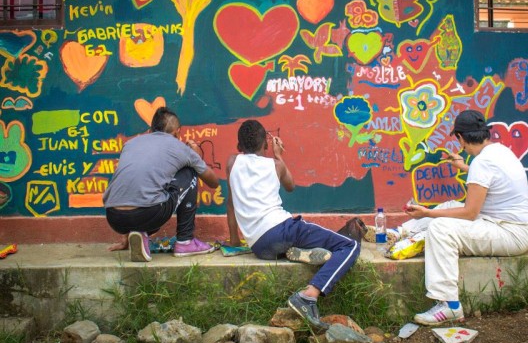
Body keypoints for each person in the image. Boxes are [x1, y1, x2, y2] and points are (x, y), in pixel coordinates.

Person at [405, 110, 528, 326]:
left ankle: (449, 306)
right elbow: (489, 179)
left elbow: (470, 213)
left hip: (510, 233)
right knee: (450, 206)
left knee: (441, 229)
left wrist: (428, 213)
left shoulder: (482, 163)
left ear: (460, 138)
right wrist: (464, 167)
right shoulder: (499, 152)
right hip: (509, 225)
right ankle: (401, 233)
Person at [225, 119, 360, 331]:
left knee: (297, 238)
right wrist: (279, 156)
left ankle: (298, 251)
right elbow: (291, 186)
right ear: (266, 145)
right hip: (282, 229)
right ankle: (309, 295)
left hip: (259, 246)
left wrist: (234, 239)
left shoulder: (232, 163)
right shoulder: (275, 165)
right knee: (349, 245)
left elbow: (231, 202)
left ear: (239, 147)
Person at [103, 106, 220, 262]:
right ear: (178, 132)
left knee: (150, 185)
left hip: (114, 218)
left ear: (151, 130)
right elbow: (213, 182)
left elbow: (129, 182)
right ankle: (185, 242)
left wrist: (125, 235)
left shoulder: (131, 144)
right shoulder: (180, 148)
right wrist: (196, 158)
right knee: (189, 172)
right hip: (147, 214)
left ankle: (136, 236)